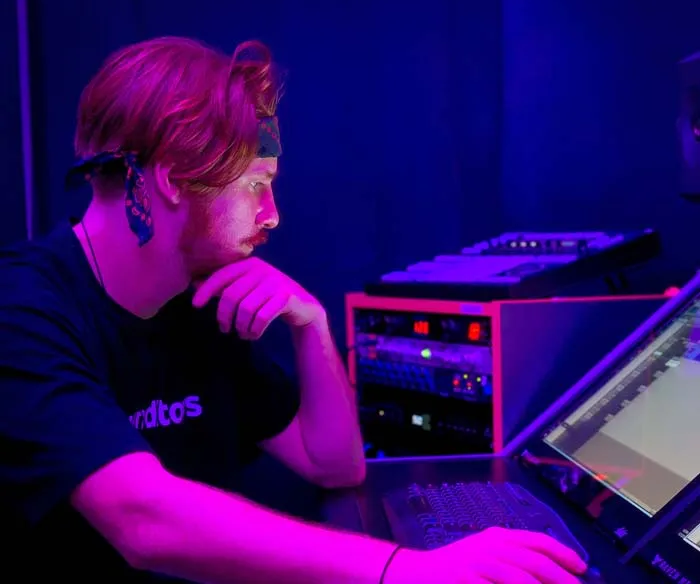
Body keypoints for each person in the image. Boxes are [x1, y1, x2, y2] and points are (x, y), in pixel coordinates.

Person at [0, 36, 588, 583]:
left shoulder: (199, 303)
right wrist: (404, 569)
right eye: (256, 185)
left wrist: (311, 325)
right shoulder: (22, 310)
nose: (273, 214)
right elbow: (141, 519)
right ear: (174, 179)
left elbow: (336, 466)